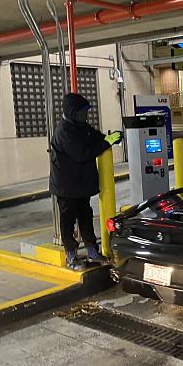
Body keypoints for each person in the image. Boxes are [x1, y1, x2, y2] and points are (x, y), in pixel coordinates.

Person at [49, 93, 122, 270]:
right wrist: (106, 143)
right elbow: (82, 154)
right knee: (68, 221)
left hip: (81, 185)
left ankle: (92, 253)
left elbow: (94, 137)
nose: (85, 115)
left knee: (86, 217)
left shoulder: (81, 126)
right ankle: (71, 256)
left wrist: (108, 138)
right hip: (66, 187)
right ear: (73, 112)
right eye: (82, 111)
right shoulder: (64, 131)